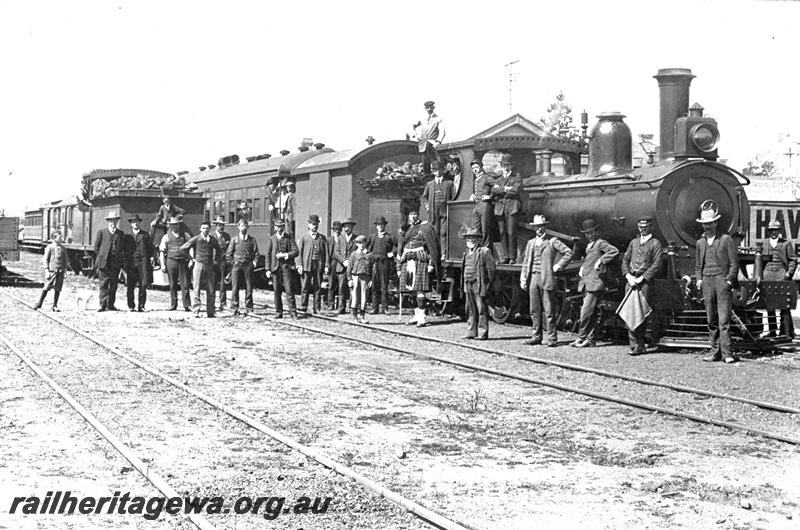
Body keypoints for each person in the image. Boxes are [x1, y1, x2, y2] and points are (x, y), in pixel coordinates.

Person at [694, 202, 740, 363]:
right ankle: (715, 352)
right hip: (707, 281)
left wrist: (728, 280)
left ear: (715, 223)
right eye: (704, 224)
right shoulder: (700, 243)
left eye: (710, 223)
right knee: (711, 319)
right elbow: (698, 265)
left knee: (724, 320)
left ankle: (727, 354)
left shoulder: (726, 239)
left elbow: (734, 263)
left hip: (721, 280)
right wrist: (699, 279)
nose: (707, 227)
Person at [520, 215, 573, 347]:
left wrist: (558, 266)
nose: (539, 229)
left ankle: (552, 338)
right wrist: (523, 279)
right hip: (533, 278)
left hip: (547, 278)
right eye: (537, 227)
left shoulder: (552, 241)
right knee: (534, 309)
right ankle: (536, 336)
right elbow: (526, 262)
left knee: (549, 310)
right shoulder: (531, 243)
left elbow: (568, 253)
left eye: (541, 226)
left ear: (545, 227)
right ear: (534, 228)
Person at [571, 219, 619, 348]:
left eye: (591, 232)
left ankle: (581, 338)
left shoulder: (600, 243)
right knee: (590, 313)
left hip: (595, 283)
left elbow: (614, 251)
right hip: (588, 282)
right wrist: (583, 268)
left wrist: (601, 260)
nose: (589, 235)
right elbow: (589, 261)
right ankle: (590, 339)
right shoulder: (589, 245)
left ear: (596, 232)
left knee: (585, 312)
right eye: (587, 233)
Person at [620, 216, 663, 355]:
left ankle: (640, 344)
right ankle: (634, 345)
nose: (642, 229)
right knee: (628, 311)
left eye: (645, 226)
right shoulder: (633, 242)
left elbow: (657, 263)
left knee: (641, 312)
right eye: (640, 227)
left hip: (644, 283)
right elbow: (625, 260)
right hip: (631, 280)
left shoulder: (655, 243)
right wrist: (628, 276)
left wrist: (642, 278)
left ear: (650, 226)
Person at [399, 208, 440, 327]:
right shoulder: (407, 230)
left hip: (420, 261)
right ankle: (416, 315)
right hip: (408, 261)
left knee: (420, 290)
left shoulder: (425, 228)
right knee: (411, 291)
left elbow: (432, 248)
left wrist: (431, 264)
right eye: (410, 214)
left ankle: (422, 317)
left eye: (414, 214)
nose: (412, 216)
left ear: (418, 214)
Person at [762, 219, 797, 338]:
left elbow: (793, 260)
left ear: (779, 231)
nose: (773, 232)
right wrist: (760, 275)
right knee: (769, 305)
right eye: (771, 230)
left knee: (784, 304)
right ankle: (772, 331)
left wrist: (788, 273)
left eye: (775, 230)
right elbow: (761, 260)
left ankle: (785, 333)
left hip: (781, 273)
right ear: (768, 231)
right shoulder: (765, 243)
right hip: (767, 274)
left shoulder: (786, 243)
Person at [181, 220, 221, 318]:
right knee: (196, 288)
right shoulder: (196, 239)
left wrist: (216, 260)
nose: (205, 230)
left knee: (211, 289)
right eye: (203, 228)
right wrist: (192, 259)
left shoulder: (213, 240)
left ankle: (210, 312)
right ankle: (196, 311)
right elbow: (182, 248)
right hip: (198, 265)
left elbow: (219, 250)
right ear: (200, 229)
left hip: (210, 266)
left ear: (209, 229)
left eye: (207, 228)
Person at [461, 227, 495, 340]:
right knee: (469, 309)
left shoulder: (484, 251)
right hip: (468, 283)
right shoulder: (466, 252)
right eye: (468, 238)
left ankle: (482, 332)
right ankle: (471, 332)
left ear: (478, 239)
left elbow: (491, 270)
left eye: (473, 238)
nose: (470, 240)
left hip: (479, 284)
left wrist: (487, 284)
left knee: (481, 308)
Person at [491, 154, 523, 264]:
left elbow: (515, 191)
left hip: (512, 207)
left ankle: (512, 257)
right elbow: (493, 191)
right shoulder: (499, 179)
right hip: (500, 208)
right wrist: (505, 188)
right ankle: (505, 256)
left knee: (511, 232)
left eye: (508, 165)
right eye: (504, 165)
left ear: (511, 165)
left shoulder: (516, 178)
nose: (505, 167)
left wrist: (500, 190)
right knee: (502, 232)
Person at [94, 210, 127, 312]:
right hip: (104, 263)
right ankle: (102, 305)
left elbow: (122, 249)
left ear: (117, 222)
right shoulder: (102, 232)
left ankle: (111, 305)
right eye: (111, 221)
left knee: (113, 285)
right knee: (103, 284)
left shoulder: (120, 234)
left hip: (115, 263)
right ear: (108, 222)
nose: (113, 223)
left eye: (114, 221)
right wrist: (102, 257)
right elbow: (96, 247)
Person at [266, 218, 299, 319]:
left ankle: (293, 312)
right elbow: (268, 255)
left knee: (289, 290)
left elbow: (296, 251)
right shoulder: (271, 239)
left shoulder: (289, 238)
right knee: (277, 291)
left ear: (283, 227)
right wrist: (267, 269)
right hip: (275, 268)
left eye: (281, 226)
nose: (279, 228)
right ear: (275, 227)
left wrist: (285, 255)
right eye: (277, 227)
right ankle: (278, 312)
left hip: (286, 267)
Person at [226, 218, 259, 316]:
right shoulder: (234, 239)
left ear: (247, 227)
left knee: (249, 288)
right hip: (237, 266)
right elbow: (228, 254)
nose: (243, 228)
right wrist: (233, 264)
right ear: (238, 227)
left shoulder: (252, 240)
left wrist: (254, 262)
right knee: (235, 287)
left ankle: (249, 308)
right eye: (241, 226)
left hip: (248, 266)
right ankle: (234, 308)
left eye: (245, 226)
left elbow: (257, 253)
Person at [421, 160, 454, 259]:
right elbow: (424, 197)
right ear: (433, 172)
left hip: (445, 211)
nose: (438, 172)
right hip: (433, 211)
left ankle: (444, 253)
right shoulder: (429, 184)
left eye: (439, 170)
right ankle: (435, 253)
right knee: (435, 232)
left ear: (443, 170)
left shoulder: (449, 183)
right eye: (435, 170)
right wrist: (427, 206)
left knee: (444, 232)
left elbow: (453, 196)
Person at [297, 214, 328, 314]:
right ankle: (303, 306)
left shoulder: (322, 238)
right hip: (307, 265)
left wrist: (327, 265)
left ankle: (316, 307)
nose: (314, 226)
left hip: (318, 265)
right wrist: (299, 265)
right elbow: (299, 253)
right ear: (309, 225)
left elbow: (326, 253)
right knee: (305, 286)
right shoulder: (304, 238)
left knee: (317, 286)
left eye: (316, 224)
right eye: (312, 224)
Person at [159, 216, 192, 311]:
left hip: (182, 262)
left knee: (185, 284)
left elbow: (191, 247)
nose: (174, 226)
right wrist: (162, 264)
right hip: (171, 261)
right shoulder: (166, 236)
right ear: (170, 226)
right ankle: (173, 305)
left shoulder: (185, 235)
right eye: (172, 225)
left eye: (176, 224)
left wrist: (191, 259)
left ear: (179, 225)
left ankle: (187, 305)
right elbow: (162, 250)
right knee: (172, 284)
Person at [125, 214, 155, 312]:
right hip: (131, 263)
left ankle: (141, 306)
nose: (135, 224)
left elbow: (151, 248)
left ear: (139, 223)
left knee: (143, 285)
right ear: (131, 224)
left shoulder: (145, 235)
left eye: (137, 222)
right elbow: (124, 250)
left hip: (143, 262)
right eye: (133, 222)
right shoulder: (127, 236)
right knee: (130, 285)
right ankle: (131, 306)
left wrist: (151, 258)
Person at [368, 216, 397, 314]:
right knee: (374, 286)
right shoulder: (373, 237)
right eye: (378, 225)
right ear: (376, 226)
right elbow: (368, 248)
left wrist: (392, 253)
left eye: (382, 224)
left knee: (384, 286)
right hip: (374, 264)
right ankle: (374, 308)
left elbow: (397, 246)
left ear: (385, 225)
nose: (380, 226)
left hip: (385, 264)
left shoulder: (389, 237)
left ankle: (385, 308)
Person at [33, 230, 68, 311]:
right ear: (54, 238)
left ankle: (55, 305)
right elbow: (45, 259)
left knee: (58, 288)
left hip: (60, 271)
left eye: (61, 237)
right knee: (47, 287)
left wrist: (65, 271)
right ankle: (39, 303)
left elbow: (66, 261)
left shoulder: (63, 248)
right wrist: (47, 271)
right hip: (52, 271)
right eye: (59, 237)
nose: (61, 238)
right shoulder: (50, 247)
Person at [413, 100, 446, 175]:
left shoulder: (438, 119)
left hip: (432, 144)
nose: (429, 109)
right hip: (423, 144)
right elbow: (415, 127)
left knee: (435, 163)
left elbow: (442, 131)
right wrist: (417, 136)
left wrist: (438, 142)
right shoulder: (422, 119)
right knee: (425, 164)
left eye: (430, 107)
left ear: (433, 107)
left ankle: (438, 177)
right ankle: (427, 179)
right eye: (427, 108)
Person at [332, 219, 357, 314]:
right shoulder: (340, 239)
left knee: (352, 288)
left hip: (352, 267)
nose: (347, 228)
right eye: (345, 227)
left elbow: (356, 253)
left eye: (349, 226)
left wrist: (350, 262)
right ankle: (341, 307)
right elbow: (336, 252)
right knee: (341, 288)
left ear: (352, 227)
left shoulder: (356, 239)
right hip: (342, 267)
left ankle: (352, 307)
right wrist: (343, 261)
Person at [347, 235, 373, 323]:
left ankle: (362, 317)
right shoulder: (353, 254)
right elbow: (349, 268)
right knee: (354, 297)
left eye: (363, 243)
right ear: (356, 244)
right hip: (355, 277)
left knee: (364, 297)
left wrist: (371, 279)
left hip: (365, 277)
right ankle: (354, 317)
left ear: (365, 244)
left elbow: (373, 268)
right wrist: (349, 279)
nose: (361, 245)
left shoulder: (369, 255)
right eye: (359, 243)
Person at [469, 159, 493, 248]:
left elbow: (496, 187)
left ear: (481, 167)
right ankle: (477, 248)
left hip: (484, 205)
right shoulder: (475, 180)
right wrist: (472, 195)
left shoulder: (487, 177)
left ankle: (485, 249)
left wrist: (490, 196)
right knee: (475, 227)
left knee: (485, 228)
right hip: (477, 205)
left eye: (476, 167)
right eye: (473, 168)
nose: (475, 169)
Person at [212, 216, 231, 311]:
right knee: (212, 282)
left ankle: (222, 303)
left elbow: (229, 249)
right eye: (219, 225)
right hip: (213, 262)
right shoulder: (211, 235)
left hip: (223, 262)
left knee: (223, 283)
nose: (221, 227)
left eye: (222, 225)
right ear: (216, 225)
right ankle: (211, 302)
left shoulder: (227, 236)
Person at [326, 220, 345, 311]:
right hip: (332, 263)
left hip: (341, 264)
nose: (337, 231)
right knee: (331, 284)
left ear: (341, 230)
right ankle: (331, 304)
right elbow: (326, 253)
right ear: (333, 230)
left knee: (341, 286)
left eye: (339, 229)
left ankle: (340, 306)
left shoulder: (343, 239)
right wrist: (327, 265)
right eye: (335, 229)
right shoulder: (329, 240)